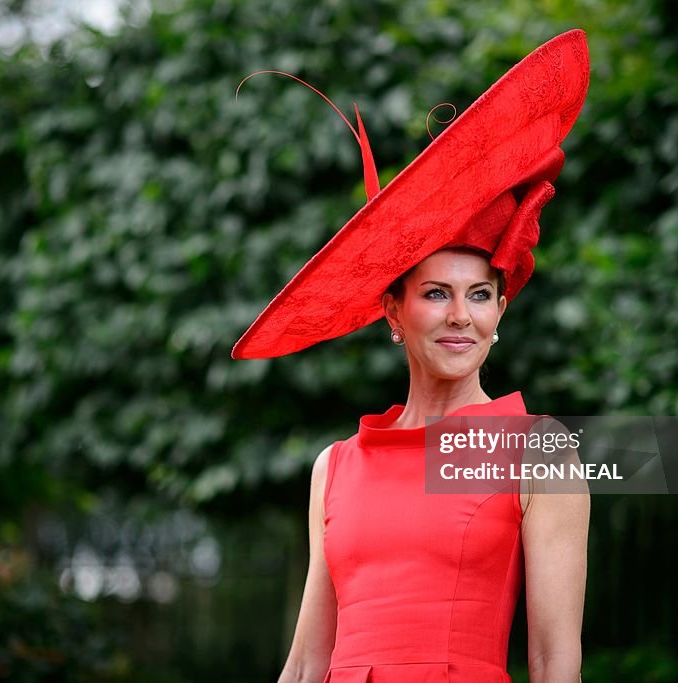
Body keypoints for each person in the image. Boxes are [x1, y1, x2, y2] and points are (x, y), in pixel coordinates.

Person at [231, 29, 591, 683]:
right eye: (435, 293)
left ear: (499, 312)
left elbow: (553, 658)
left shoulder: (540, 452)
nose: (461, 315)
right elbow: (310, 659)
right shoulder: (334, 467)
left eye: (481, 294)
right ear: (393, 312)